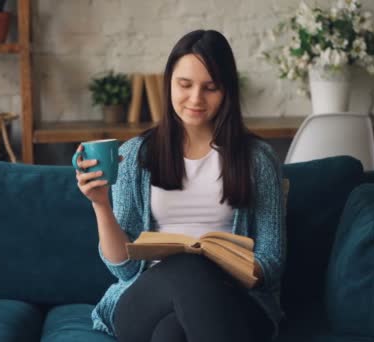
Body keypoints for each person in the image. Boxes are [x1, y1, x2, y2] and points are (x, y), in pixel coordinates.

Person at [75, 29, 286, 342]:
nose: (195, 99)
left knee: (170, 333)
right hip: (145, 299)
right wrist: (100, 203)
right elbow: (124, 270)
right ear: (169, 82)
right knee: (187, 267)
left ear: (227, 91)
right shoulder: (134, 156)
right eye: (184, 85)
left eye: (210, 87)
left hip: (233, 300)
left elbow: (272, 261)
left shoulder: (257, 159)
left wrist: (222, 266)